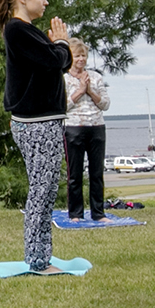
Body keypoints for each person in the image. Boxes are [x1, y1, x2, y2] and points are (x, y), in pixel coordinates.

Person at [0, 0, 73, 273]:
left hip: (45, 121)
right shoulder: (17, 29)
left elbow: (58, 61)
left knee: (48, 188)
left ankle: (41, 257)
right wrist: (62, 44)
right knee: (42, 188)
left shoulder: (29, 31)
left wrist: (59, 50)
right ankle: (38, 260)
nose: (46, 2)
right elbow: (57, 60)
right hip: (35, 123)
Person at [61, 42, 113, 225]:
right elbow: (61, 106)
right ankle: (76, 213)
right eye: (77, 56)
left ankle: (98, 213)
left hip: (96, 127)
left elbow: (105, 104)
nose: (81, 59)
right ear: (70, 57)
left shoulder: (95, 77)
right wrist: (79, 91)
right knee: (74, 174)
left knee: (96, 173)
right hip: (73, 128)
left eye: (83, 56)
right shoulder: (64, 80)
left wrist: (90, 90)